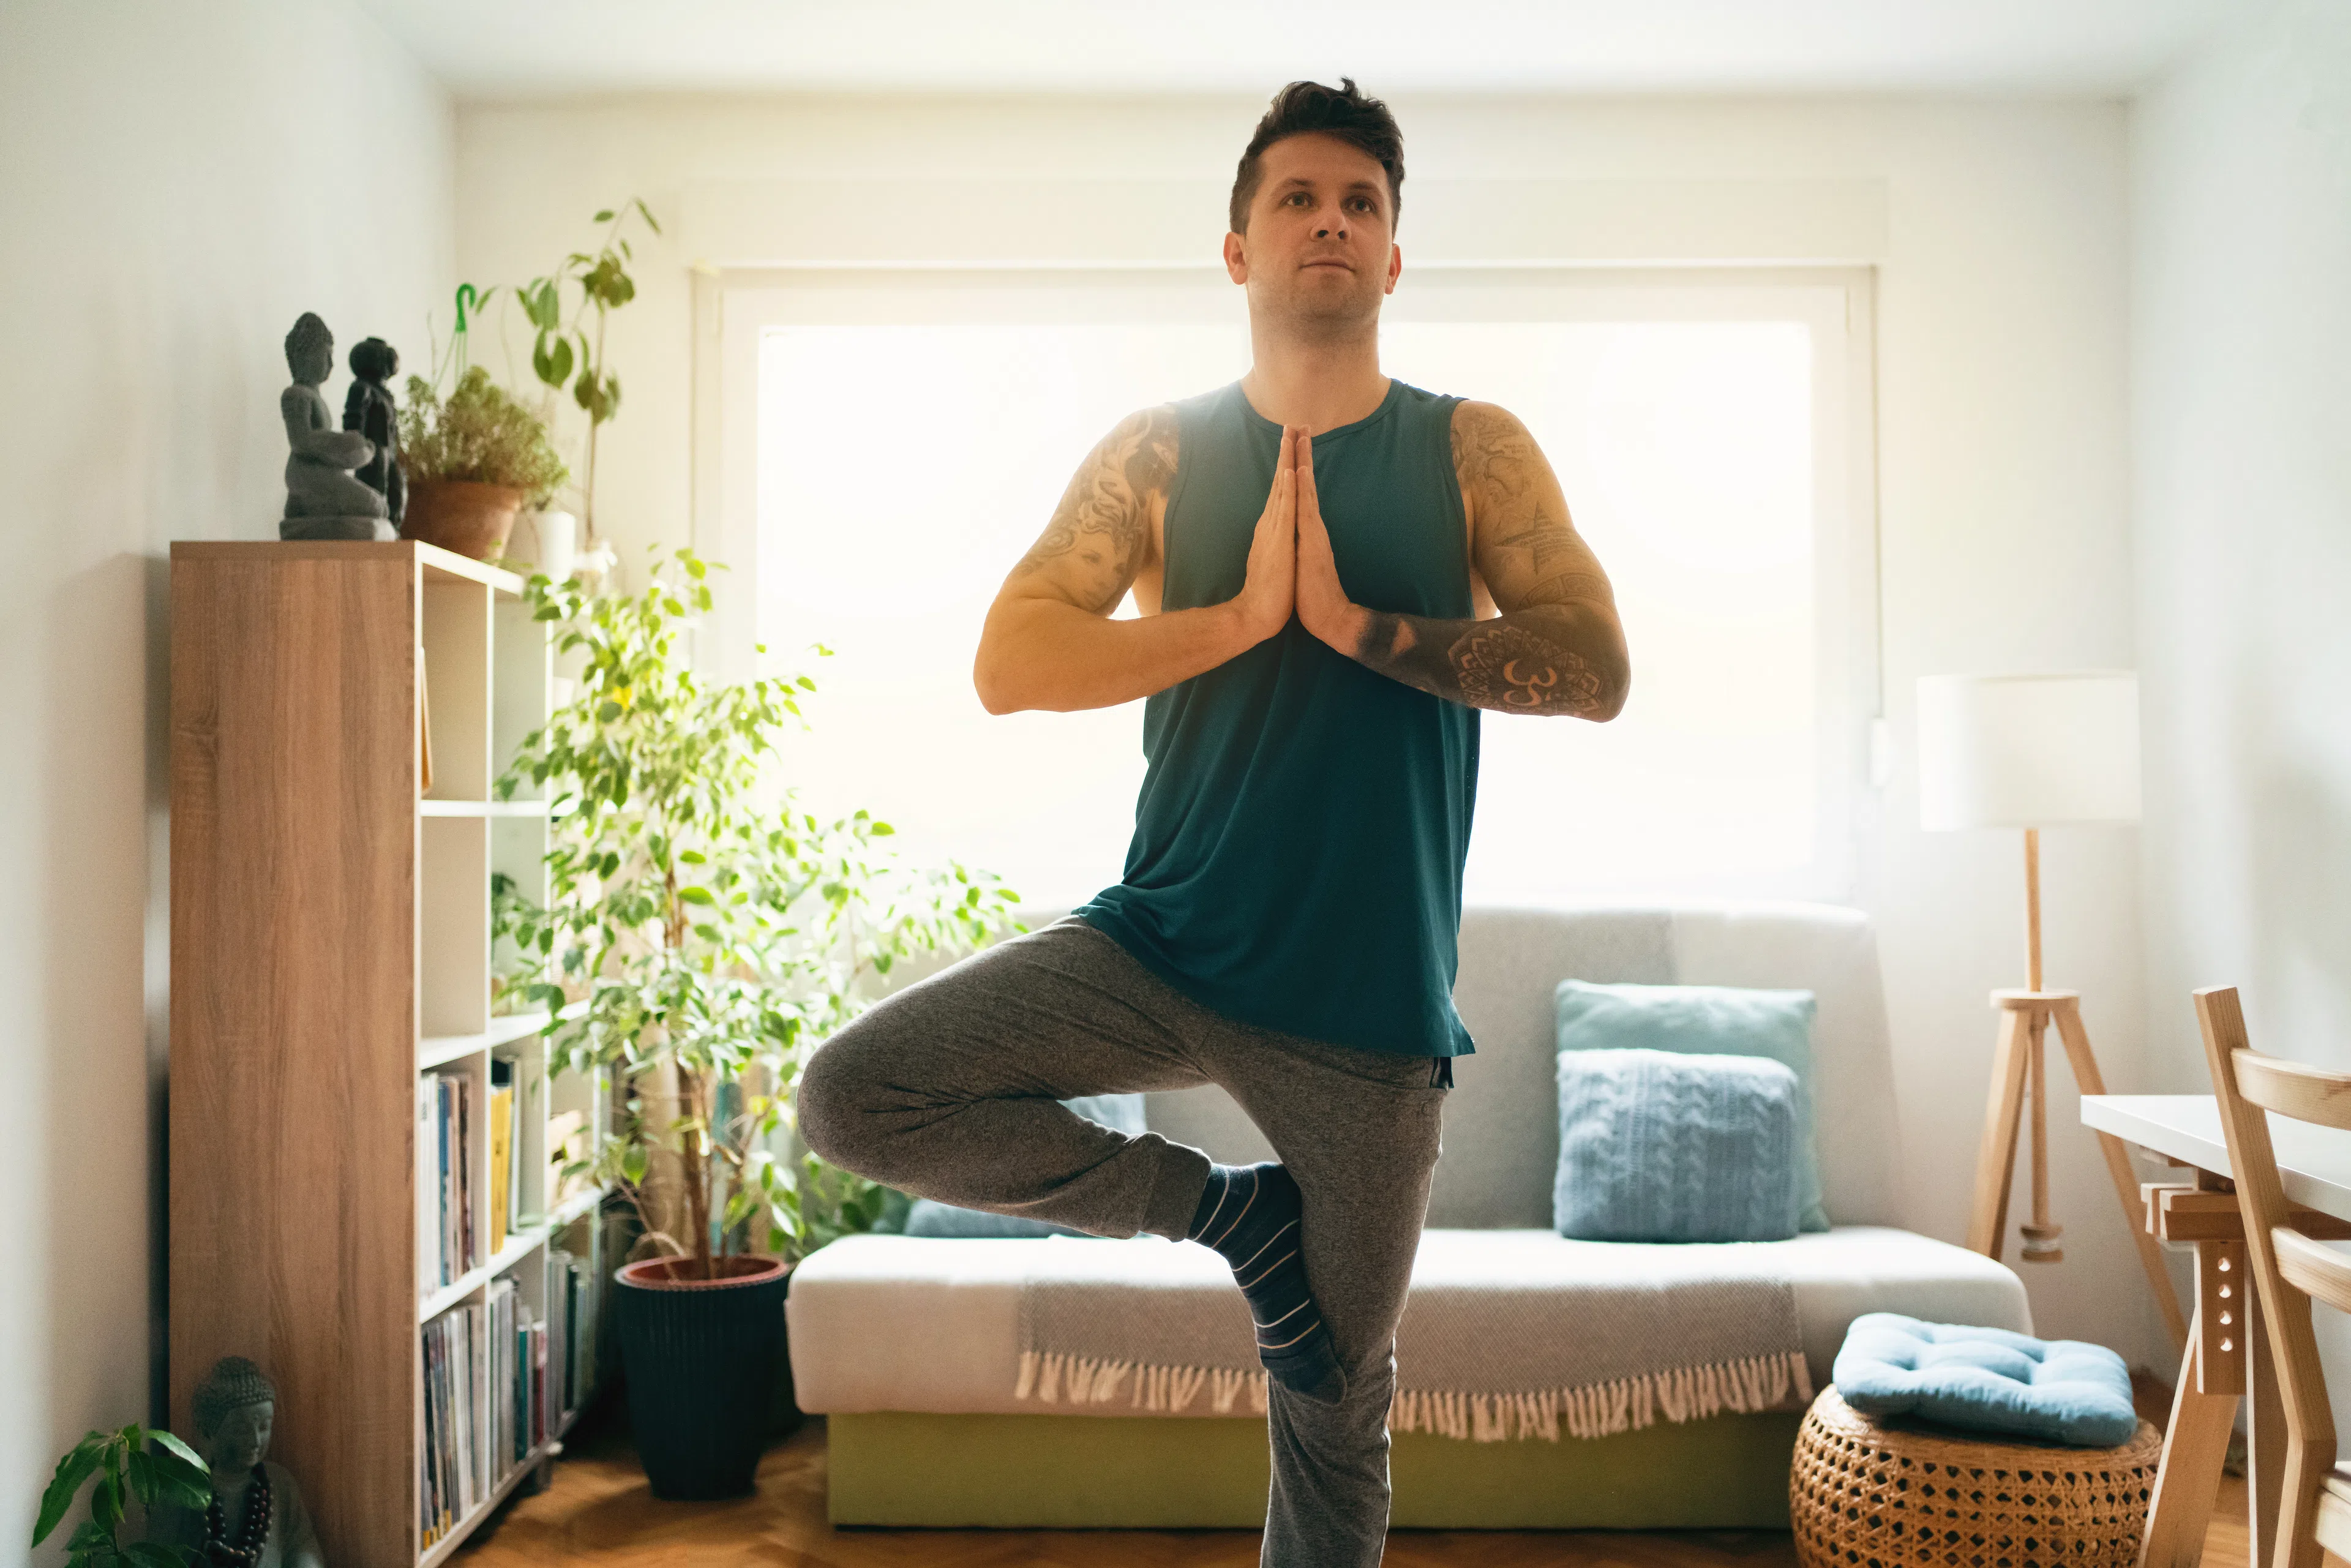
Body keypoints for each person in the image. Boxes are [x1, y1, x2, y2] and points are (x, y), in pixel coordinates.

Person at [795, 77, 1629, 1568]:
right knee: (853, 1094)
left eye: (1361, 203)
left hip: (1369, 1008)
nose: (1331, 221)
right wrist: (1243, 618)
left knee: (1335, 1403)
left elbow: (1598, 667)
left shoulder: (1471, 447)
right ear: (1239, 250)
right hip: (1162, 945)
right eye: (1298, 197)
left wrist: (1361, 628)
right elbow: (1009, 661)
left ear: (1394, 258)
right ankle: (1232, 1219)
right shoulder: (1162, 452)